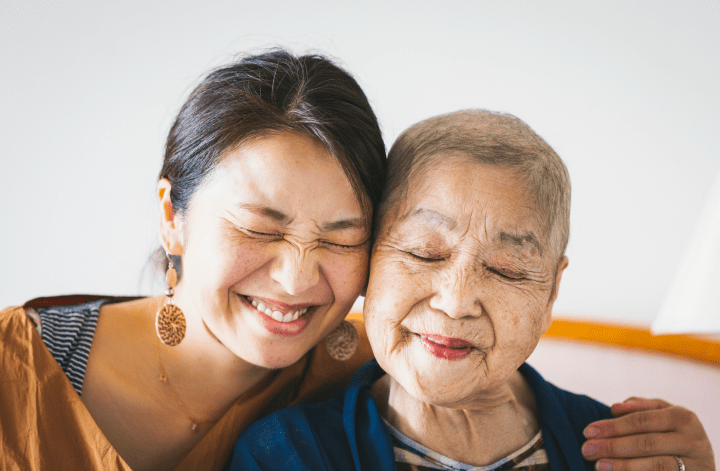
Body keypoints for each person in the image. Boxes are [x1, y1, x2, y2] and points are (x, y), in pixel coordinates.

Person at [0, 51, 712, 471]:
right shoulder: (15, 375)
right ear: (171, 214)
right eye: (260, 226)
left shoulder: (388, 364)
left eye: (341, 237)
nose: (296, 277)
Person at [232, 110, 716, 471]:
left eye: (506, 270)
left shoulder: (619, 450)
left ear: (551, 293)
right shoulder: (289, 452)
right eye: (424, 253)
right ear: (368, 262)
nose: (457, 300)